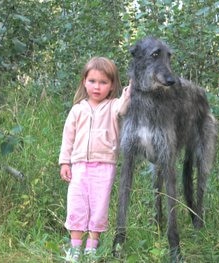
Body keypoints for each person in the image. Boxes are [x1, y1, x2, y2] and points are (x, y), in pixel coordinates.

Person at [59, 57, 131, 262]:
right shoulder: (77, 109)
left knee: (99, 206)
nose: (97, 87)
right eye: (92, 81)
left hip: (105, 165)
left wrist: (130, 90)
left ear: (112, 85)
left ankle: (91, 248)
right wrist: (65, 162)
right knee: (77, 204)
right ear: (84, 81)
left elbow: (124, 108)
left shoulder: (114, 106)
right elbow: (68, 138)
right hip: (79, 165)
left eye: (103, 82)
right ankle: (74, 248)